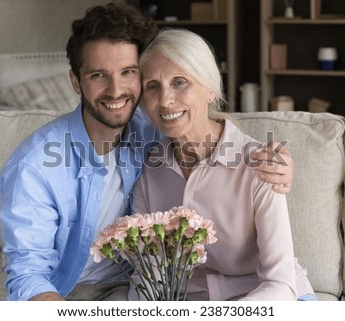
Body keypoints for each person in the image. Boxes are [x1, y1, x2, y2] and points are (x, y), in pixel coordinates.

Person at [0, 3, 296, 301]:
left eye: (128, 72)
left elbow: (206, 125)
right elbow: (27, 273)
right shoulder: (36, 166)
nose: (116, 91)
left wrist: (278, 162)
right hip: (75, 290)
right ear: (76, 81)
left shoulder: (155, 128)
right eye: (98, 75)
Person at [131, 28, 315, 300]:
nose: (165, 100)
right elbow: (149, 278)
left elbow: (281, 284)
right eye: (152, 87)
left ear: (209, 90)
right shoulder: (149, 171)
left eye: (180, 82)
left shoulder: (260, 164)